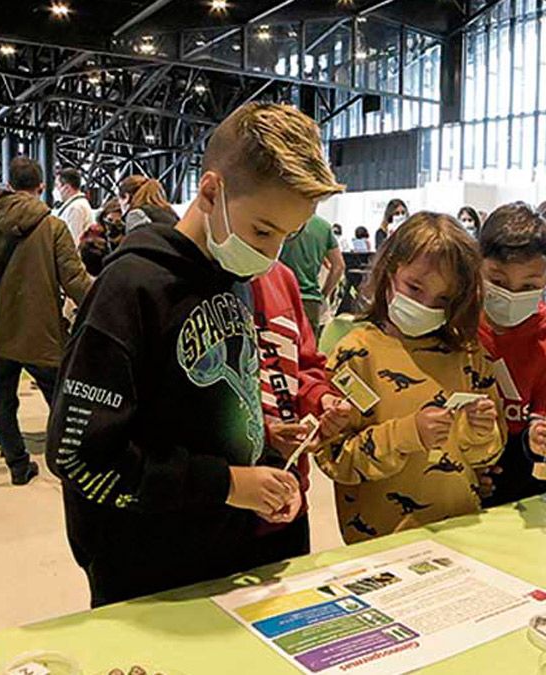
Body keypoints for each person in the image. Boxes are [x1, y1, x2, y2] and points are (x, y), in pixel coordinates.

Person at [46, 102, 345, 607]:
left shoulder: (234, 278)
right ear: (211, 191)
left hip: (231, 552)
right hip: (150, 569)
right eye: (263, 231)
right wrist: (224, 482)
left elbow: (199, 405)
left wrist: (264, 448)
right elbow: (79, 453)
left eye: (287, 237)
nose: (272, 255)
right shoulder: (131, 288)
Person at [315, 213, 504, 544]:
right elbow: (336, 460)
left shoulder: (469, 355)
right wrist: (407, 434)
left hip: (461, 531)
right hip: (381, 543)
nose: (425, 305)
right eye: (414, 287)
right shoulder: (355, 356)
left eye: (443, 299)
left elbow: (486, 457)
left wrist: (480, 433)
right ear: (390, 271)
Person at [0, 158, 94, 484]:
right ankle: (68, 461)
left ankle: (17, 464)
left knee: (3, 395)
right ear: (40, 188)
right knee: (60, 397)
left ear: (10, 185)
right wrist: (107, 303)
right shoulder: (53, 226)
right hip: (42, 329)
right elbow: (75, 280)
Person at [248, 258, 350, 562]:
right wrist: (265, 436)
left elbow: (305, 364)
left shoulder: (281, 277)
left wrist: (321, 402)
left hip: (289, 496)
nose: (270, 249)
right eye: (263, 230)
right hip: (217, 506)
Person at [475, 203, 546, 508]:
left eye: (529, 285)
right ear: (477, 266)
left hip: (518, 477)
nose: (512, 294)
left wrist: (544, 439)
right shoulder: (458, 321)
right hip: (454, 471)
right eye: (498, 281)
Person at [277, 214, 345, 339]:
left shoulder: (281, 220)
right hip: (311, 302)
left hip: (279, 297)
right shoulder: (324, 227)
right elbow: (338, 266)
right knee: (308, 354)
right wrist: (323, 295)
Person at [54, 167, 94, 243]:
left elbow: (73, 240)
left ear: (67, 188)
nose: (55, 189)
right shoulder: (77, 205)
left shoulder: (75, 208)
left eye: (57, 185)